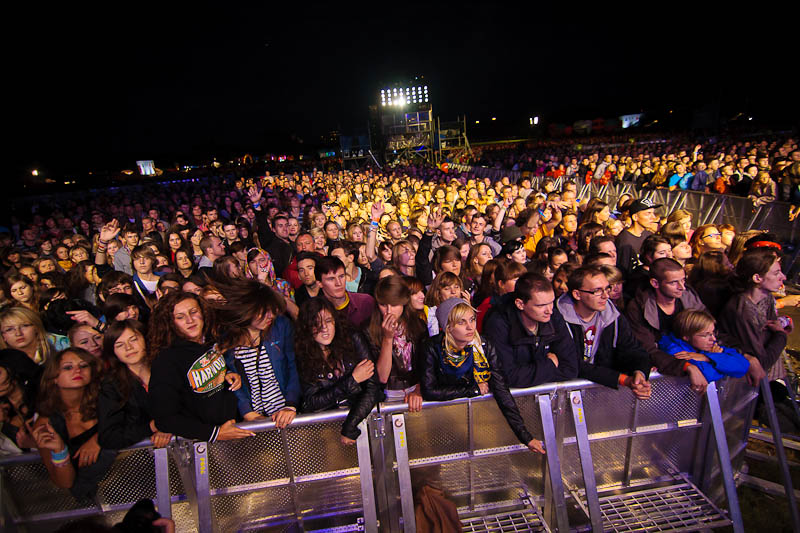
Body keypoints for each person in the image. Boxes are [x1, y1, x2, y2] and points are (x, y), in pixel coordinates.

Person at [420, 299, 545, 454]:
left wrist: (526, 437)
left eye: (472, 319)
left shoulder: (484, 346)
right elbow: (430, 390)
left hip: (475, 418)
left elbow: (501, 390)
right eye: (461, 322)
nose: (470, 327)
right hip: (441, 419)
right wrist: (473, 390)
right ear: (448, 327)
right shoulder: (432, 347)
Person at [147, 292, 251, 442]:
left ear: (203, 312)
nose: (190, 320)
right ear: (170, 322)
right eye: (180, 317)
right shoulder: (166, 360)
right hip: (204, 441)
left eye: (193, 312)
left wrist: (226, 374)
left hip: (235, 428)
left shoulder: (211, 339)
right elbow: (165, 418)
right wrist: (214, 433)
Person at [295, 297, 381, 444]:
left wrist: (350, 425)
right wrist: (352, 380)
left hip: (362, 420)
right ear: (307, 327)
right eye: (316, 323)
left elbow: (372, 388)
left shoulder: (353, 339)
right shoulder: (303, 354)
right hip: (325, 430)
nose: (324, 329)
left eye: (328, 321)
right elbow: (311, 402)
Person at [32, 348, 117, 499]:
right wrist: (59, 451)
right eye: (68, 367)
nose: (77, 370)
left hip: (131, 478)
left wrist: (99, 439)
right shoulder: (45, 423)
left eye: (83, 366)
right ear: (54, 378)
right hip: (90, 499)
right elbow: (65, 483)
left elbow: (135, 422)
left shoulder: (108, 398)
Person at [556, 266, 651, 398]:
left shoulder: (613, 316)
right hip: (565, 394)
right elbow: (571, 363)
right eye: (597, 291)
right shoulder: (556, 319)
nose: (606, 296)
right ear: (577, 294)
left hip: (603, 394)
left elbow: (632, 349)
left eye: (607, 288)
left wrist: (639, 372)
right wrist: (621, 379)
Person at [217, 280, 300, 426]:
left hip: (285, 414)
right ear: (247, 309)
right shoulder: (229, 338)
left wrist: (290, 404)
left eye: (272, 310)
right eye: (263, 312)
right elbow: (232, 380)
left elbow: (293, 367)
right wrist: (247, 412)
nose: (270, 316)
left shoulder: (281, 326)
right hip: (252, 418)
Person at [482, 273, 579, 388]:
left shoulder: (554, 317)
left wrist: (529, 374)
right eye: (541, 305)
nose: (549, 310)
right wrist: (550, 364)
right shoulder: (498, 323)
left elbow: (571, 368)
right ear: (520, 304)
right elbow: (507, 376)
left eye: (551, 303)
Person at [98, 320, 172, 449]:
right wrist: (152, 426)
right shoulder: (111, 385)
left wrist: (171, 425)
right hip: (141, 457)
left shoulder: (167, 367)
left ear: (145, 338)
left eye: (133, 340)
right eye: (120, 345)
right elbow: (109, 437)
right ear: (113, 352)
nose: (128, 348)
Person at [718, 248, 789, 378]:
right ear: (757, 278)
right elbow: (762, 362)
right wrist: (780, 334)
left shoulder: (766, 298)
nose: (783, 277)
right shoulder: (742, 311)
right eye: (776, 273)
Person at [368, 276, 427, 411]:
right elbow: (382, 377)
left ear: (404, 303)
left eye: (394, 304)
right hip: (385, 395)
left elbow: (425, 365)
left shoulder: (418, 326)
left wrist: (418, 390)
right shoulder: (368, 330)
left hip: (414, 391)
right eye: (383, 305)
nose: (388, 311)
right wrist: (388, 339)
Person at [658, 310, 750, 383]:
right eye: (705, 335)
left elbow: (743, 365)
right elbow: (708, 375)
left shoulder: (709, 349)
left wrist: (708, 358)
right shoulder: (674, 350)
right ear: (686, 337)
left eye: (713, 333)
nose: (713, 339)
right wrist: (721, 363)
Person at [315, 256, 375, 329]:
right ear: (319, 283)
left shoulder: (365, 302)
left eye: (341, 276)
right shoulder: (314, 310)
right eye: (331, 279)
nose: (338, 283)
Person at [616, 199, 660, 276]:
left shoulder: (648, 235)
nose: (653, 217)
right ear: (635, 217)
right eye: (648, 213)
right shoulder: (625, 241)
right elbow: (623, 270)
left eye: (653, 213)